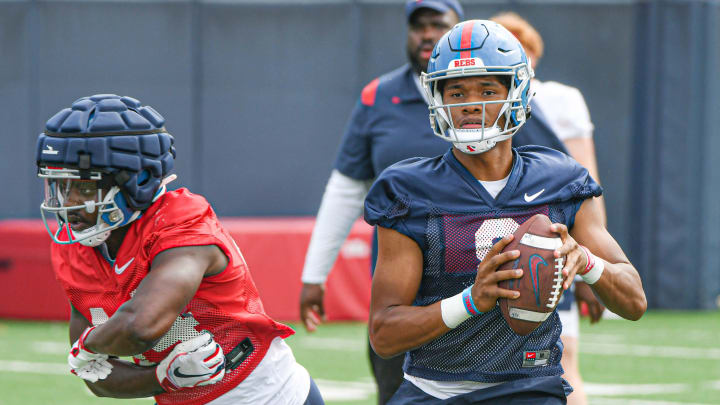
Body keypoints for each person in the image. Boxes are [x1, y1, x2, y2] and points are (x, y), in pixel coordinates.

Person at [365, 20, 646, 404]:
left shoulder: (561, 180)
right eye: (457, 91)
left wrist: (586, 262)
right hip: (435, 392)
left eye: (487, 90)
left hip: (532, 388)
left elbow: (634, 301)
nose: (470, 104)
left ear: (517, 92)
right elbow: (384, 334)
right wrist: (470, 301)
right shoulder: (409, 190)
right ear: (438, 99)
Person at [37, 94, 324, 405]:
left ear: (139, 180)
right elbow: (96, 378)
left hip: (269, 396)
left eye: (84, 187)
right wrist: (163, 377)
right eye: (60, 187)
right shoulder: (73, 248)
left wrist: (86, 345)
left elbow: (139, 326)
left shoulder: (181, 221)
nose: (68, 204)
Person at [299, 1, 463, 403]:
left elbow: (553, 172)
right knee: (394, 391)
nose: (427, 34)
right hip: (397, 291)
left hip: (472, 278)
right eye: (418, 26)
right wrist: (314, 274)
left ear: (460, 31)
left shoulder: (489, 91)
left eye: (438, 25)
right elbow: (345, 189)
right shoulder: (379, 96)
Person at [491, 12, 606, 405]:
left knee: (563, 362)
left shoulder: (558, 98)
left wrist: (592, 259)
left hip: (549, 246)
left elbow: (586, 185)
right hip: (497, 243)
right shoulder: (483, 100)